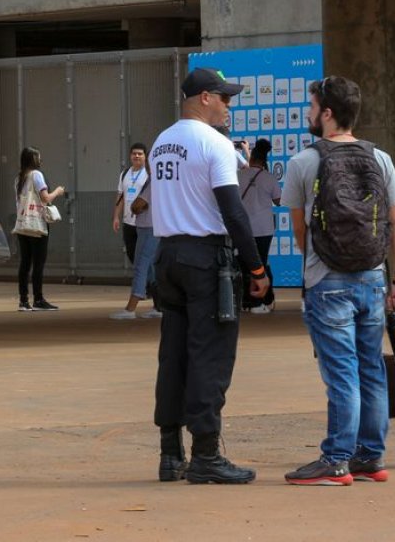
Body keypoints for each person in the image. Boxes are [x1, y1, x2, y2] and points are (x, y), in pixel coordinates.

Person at [281, 76, 395, 486]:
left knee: (342, 372)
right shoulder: (381, 159)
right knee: (371, 369)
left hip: (327, 281)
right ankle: (370, 457)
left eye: (312, 105)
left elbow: (300, 230)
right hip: (373, 278)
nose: (308, 112)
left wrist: (320, 263)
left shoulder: (304, 161)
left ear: (328, 113)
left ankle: (336, 459)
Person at [149, 68, 269, 485]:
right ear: (204, 98)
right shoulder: (214, 144)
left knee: (173, 354)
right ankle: (205, 454)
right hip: (205, 259)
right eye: (224, 98)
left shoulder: (162, 142)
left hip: (167, 256)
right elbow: (233, 212)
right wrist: (256, 267)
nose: (228, 107)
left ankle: (169, 454)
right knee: (210, 355)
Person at [12, 146, 65, 312]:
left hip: (22, 225)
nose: (41, 160)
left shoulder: (19, 178)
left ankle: (23, 300)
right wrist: (57, 191)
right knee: (38, 262)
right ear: (33, 160)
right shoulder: (37, 175)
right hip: (37, 224)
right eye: (38, 157)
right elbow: (45, 198)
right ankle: (39, 299)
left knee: (25, 262)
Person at [111, 148, 161, 320]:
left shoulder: (153, 179)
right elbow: (121, 196)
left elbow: (139, 204)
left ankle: (131, 307)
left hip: (148, 226)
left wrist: (133, 208)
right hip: (154, 226)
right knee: (152, 267)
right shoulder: (128, 174)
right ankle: (159, 304)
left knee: (141, 264)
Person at [236, 139, 280, 313]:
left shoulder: (238, 176)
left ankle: (246, 301)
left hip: (243, 228)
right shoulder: (269, 178)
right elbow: (278, 201)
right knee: (261, 264)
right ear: (265, 160)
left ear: (251, 157)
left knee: (244, 264)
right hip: (264, 228)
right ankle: (261, 301)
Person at [112, 143, 148, 267]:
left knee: (145, 255)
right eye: (134, 153)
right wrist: (116, 217)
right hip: (128, 222)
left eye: (140, 154)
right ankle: (143, 282)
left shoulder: (149, 174)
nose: (137, 156)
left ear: (145, 156)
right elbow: (120, 197)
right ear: (130, 156)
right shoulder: (125, 174)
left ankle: (147, 284)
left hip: (144, 223)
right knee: (131, 253)